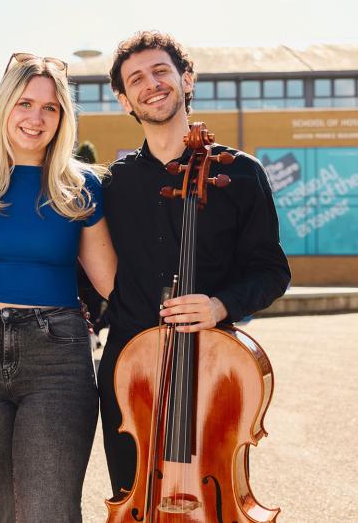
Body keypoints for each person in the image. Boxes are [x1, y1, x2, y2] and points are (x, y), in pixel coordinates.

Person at [98, 31, 291, 500]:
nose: (152, 84)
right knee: (134, 494)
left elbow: (271, 270)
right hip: (131, 372)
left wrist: (220, 305)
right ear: (125, 101)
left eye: (161, 71)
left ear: (186, 79)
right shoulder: (113, 184)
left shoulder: (241, 173)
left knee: (212, 489)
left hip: (211, 368)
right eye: (136, 79)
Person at [0, 53, 116, 522]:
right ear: (3, 107)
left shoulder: (80, 188)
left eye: (51, 107)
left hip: (56, 355)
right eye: (25, 103)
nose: (36, 118)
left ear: (63, 118)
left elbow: (112, 284)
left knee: (48, 510)